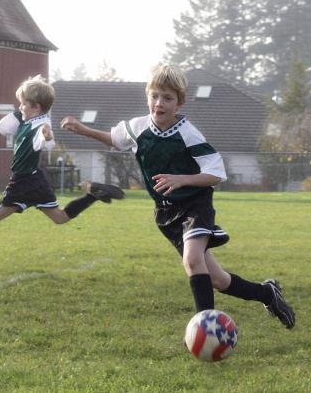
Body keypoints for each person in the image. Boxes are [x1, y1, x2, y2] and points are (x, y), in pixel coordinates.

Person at [60, 64, 295, 328]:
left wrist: (182, 179)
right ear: (148, 96)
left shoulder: (187, 133)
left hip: (195, 204)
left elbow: (216, 173)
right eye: (155, 96)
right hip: (166, 213)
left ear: (179, 103)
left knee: (192, 260)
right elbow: (115, 139)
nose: (159, 103)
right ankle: (268, 294)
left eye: (167, 98)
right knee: (217, 280)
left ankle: (206, 328)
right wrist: (83, 130)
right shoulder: (137, 127)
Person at [0, 75, 124, 275]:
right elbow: (1, 129)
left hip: (22, 183)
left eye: (23, 104)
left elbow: (45, 139)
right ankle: (92, 195)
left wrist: (47, 136)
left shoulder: (39, 125)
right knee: (60, 217)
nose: (20, 108)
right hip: (36, 180)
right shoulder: (26, 118)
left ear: (36, 106)